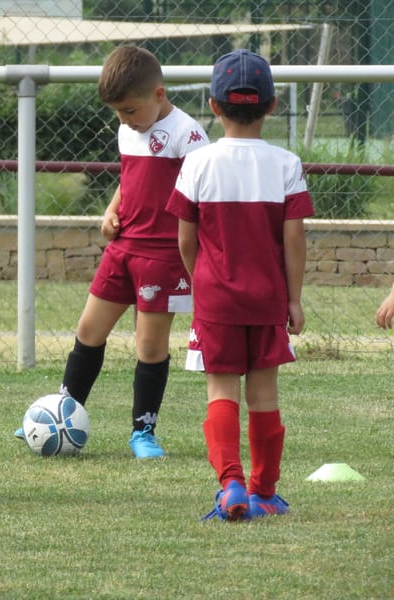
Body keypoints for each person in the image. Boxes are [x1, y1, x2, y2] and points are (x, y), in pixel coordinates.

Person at [17, 45, 209, 458]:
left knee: (149, 346)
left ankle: (143, 432)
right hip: (122, 249)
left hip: (163, 256)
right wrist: (112, 208)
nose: (124, 121)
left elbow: (201, 198)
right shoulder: (129, 129)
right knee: (88, 331)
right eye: (118, 113)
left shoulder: (188, 135)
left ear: (159, 95)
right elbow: (130, 178)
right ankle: (60, 414)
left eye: (130, 111)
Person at [166, 49, 314, 521]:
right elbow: (294, 240)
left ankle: (230, 484)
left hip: (216, 302)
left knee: (221, 392)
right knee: (265, 397)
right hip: (268, 301)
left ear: (213, 106)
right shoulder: (287, 164)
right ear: (272, 106)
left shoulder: (197, 164)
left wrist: (202, 281)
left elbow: (185, 239)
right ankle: (264, 492)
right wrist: (292, 298)